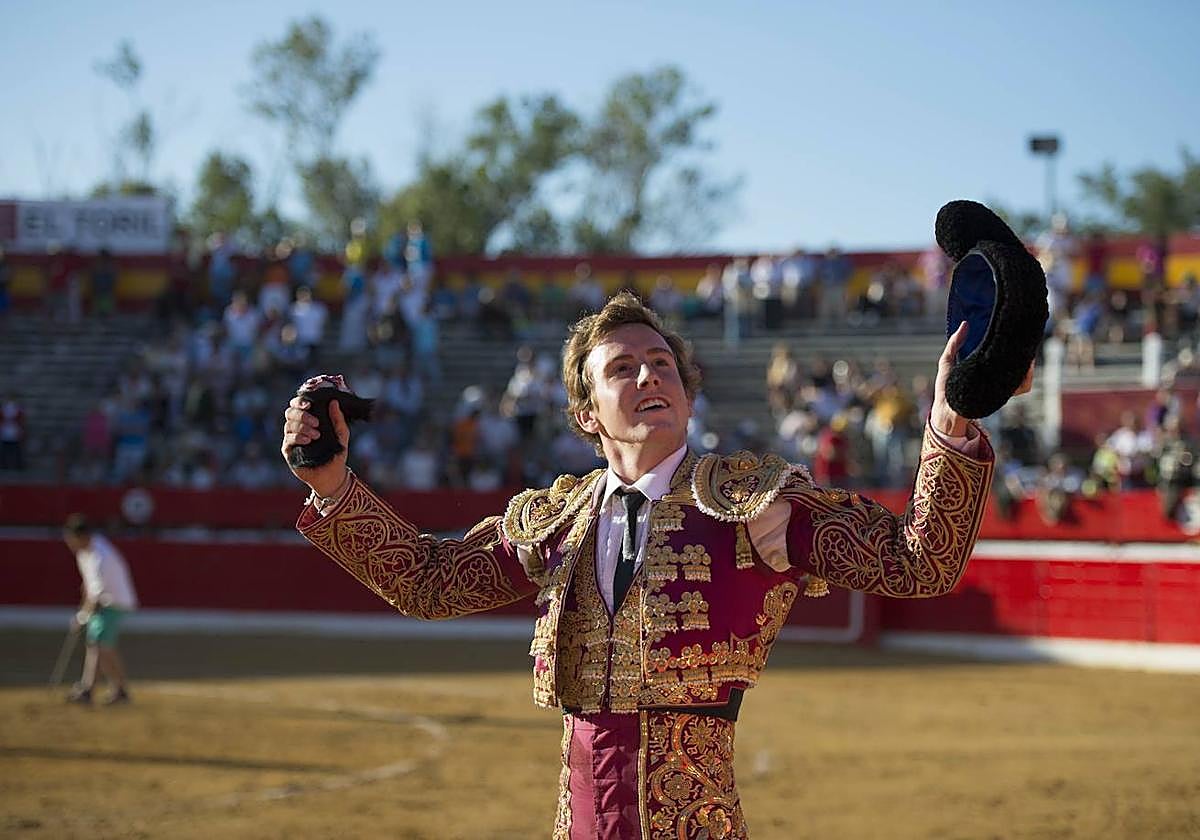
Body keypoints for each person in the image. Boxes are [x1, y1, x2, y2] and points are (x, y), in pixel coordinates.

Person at [281, 291, 1025, 839]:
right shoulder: (554, 522)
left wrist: (952, 419)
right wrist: (333, 487)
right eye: (623, 369)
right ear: (586, 414)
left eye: (662, 364)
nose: (648, 378)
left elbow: (917, 563)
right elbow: (430, 582)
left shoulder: (751, 501)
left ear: (688, 394)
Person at [62, 514, 138, 705]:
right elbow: (87, 586)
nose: (69, 543)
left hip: (114, 602)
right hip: (103, 602)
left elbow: (95, 594)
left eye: (71, 539)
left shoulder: (99, 555)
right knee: (95, 643)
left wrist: (82, 617)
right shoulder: (85, 553)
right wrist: (83, 612)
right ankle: (90, 688)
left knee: (103, 646)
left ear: (81, 537)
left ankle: (117, 689)